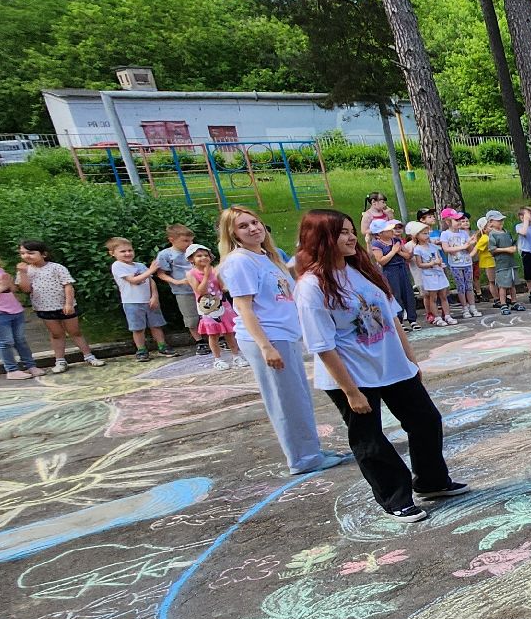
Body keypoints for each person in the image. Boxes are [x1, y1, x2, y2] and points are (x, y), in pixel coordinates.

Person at [293, 209, 464, 523]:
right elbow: (322, 345)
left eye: (349, 230)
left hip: (392, 366)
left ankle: (432, 481)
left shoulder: (362, 269)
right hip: (352, 375)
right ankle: (395, 498)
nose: (350, 237)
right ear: (320, 238)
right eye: (341, 232)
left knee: (426, 420)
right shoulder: (311, 286)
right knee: (369, 439)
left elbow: (391, 317)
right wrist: (351, 391)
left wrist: (409, 361)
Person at [219, 206, 347, 477]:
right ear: (232, 233)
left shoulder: (265, 257)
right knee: (284, 400)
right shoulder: (240, 261)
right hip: (269, 337)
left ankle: (309, 450)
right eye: (244, 226)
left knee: (297, 396)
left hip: (284, 335)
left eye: (255, 222)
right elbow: (244, 307)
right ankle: (302, 458)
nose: (253, 229)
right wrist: (265, 346)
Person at [15, 241, 100, 372]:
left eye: (31, 253)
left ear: (43, 254)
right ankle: (60, 361)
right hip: (44, 307)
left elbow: (68, 285)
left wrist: (69, 303)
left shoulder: (56, 267)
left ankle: (89, 356)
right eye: (22, 253)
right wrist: (23, 273)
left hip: (64, 305)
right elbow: (26, 289)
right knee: (56, 334)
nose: (26, 256)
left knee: (75, 332)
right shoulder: (25, 271)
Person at [106, 237, 172, 359]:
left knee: (156, 324)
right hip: (132, 302)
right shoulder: (117, 266)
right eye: (123, 251)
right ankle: (141, 350)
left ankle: (162, 346)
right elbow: (134, 280)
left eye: (130, 250)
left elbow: (150, 281)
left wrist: (154, 296)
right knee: (137, 328)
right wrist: (151, 270)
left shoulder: (140, 265)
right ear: (112, 253)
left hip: (149, 300)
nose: (127, 253)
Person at [187, 243, 243, 371]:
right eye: (199, 256)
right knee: (213, 334)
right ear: (191, 259)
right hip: (207, 308)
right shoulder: (191, 274)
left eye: (206, 255)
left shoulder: (214, 271)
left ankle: (236, 356)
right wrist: (206, 276)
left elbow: (222, 287)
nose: (203, 258)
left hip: (222, 304)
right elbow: (200, 291)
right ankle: (218, 359)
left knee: (230, 332)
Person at [154, 224, 207, 355]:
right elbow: (161, 273)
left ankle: (219, 337)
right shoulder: (166, 254)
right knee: (191, 317)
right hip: (183, 291)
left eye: (191, 241)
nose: (189, 244)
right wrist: (176, 281)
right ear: (172, 239)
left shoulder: (195, 251)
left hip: (202, 288)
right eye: (185, 241)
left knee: (209, 313)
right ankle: (199, 341)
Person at [369, 219, 417, 328]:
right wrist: (393, 251)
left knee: (408, 293)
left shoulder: (396, 240)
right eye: (388, 230)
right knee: (396, 294)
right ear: (380, 233)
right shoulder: (377, 244)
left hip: (402, 268)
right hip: (390, 271)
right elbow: (381, 260)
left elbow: (408, 255)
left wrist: (400, 252)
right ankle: (399, 320)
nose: (392, 231)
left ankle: (412, 319)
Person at [0, 252, 38, 378]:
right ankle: (11, 370)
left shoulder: (0, 270)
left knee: (20, 340)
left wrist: (9, 282)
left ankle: (31, 365)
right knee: (6, 342)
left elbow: (13, 289)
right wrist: (2, 286)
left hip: (14, 309)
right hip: (0, 313)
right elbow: (2, 288)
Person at [408, 221, 452, 326]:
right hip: (429, 275)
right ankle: (436, 316)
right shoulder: (418, 249)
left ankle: (447, 315)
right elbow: (419, 264)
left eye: (427, 233)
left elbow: (439, 257)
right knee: (433, 297)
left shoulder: (433, 246)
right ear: (417, 236)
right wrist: (432, 263)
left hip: (439, 272)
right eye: (424, 234)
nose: (427, 236)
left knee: (443, 295)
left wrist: (440, 262)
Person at [440, 210, 478, 319]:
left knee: (469, 285)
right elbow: (446, 248)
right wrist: (464, 246)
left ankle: (472, 306)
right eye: (456, 220)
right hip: (456, 264)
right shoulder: (445, 234)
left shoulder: (463, 233)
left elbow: (469, 249)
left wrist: (471, 243)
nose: (459, 222)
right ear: (448, 221)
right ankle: (464, 308)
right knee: (460, 286)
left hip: (467, 262)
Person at [486, 213, 522, 312]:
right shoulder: (492, 234)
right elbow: (492, 249)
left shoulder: (506, 232)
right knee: (503, 285)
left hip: (511, 262)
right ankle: (503, 303)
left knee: (512, 284)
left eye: (502, 220)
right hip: (502, 263)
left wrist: (514, 247)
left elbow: (512, 242)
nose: (501, 222)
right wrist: (506, 249)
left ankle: (514, 301)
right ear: (491, 222)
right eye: (498, 221)